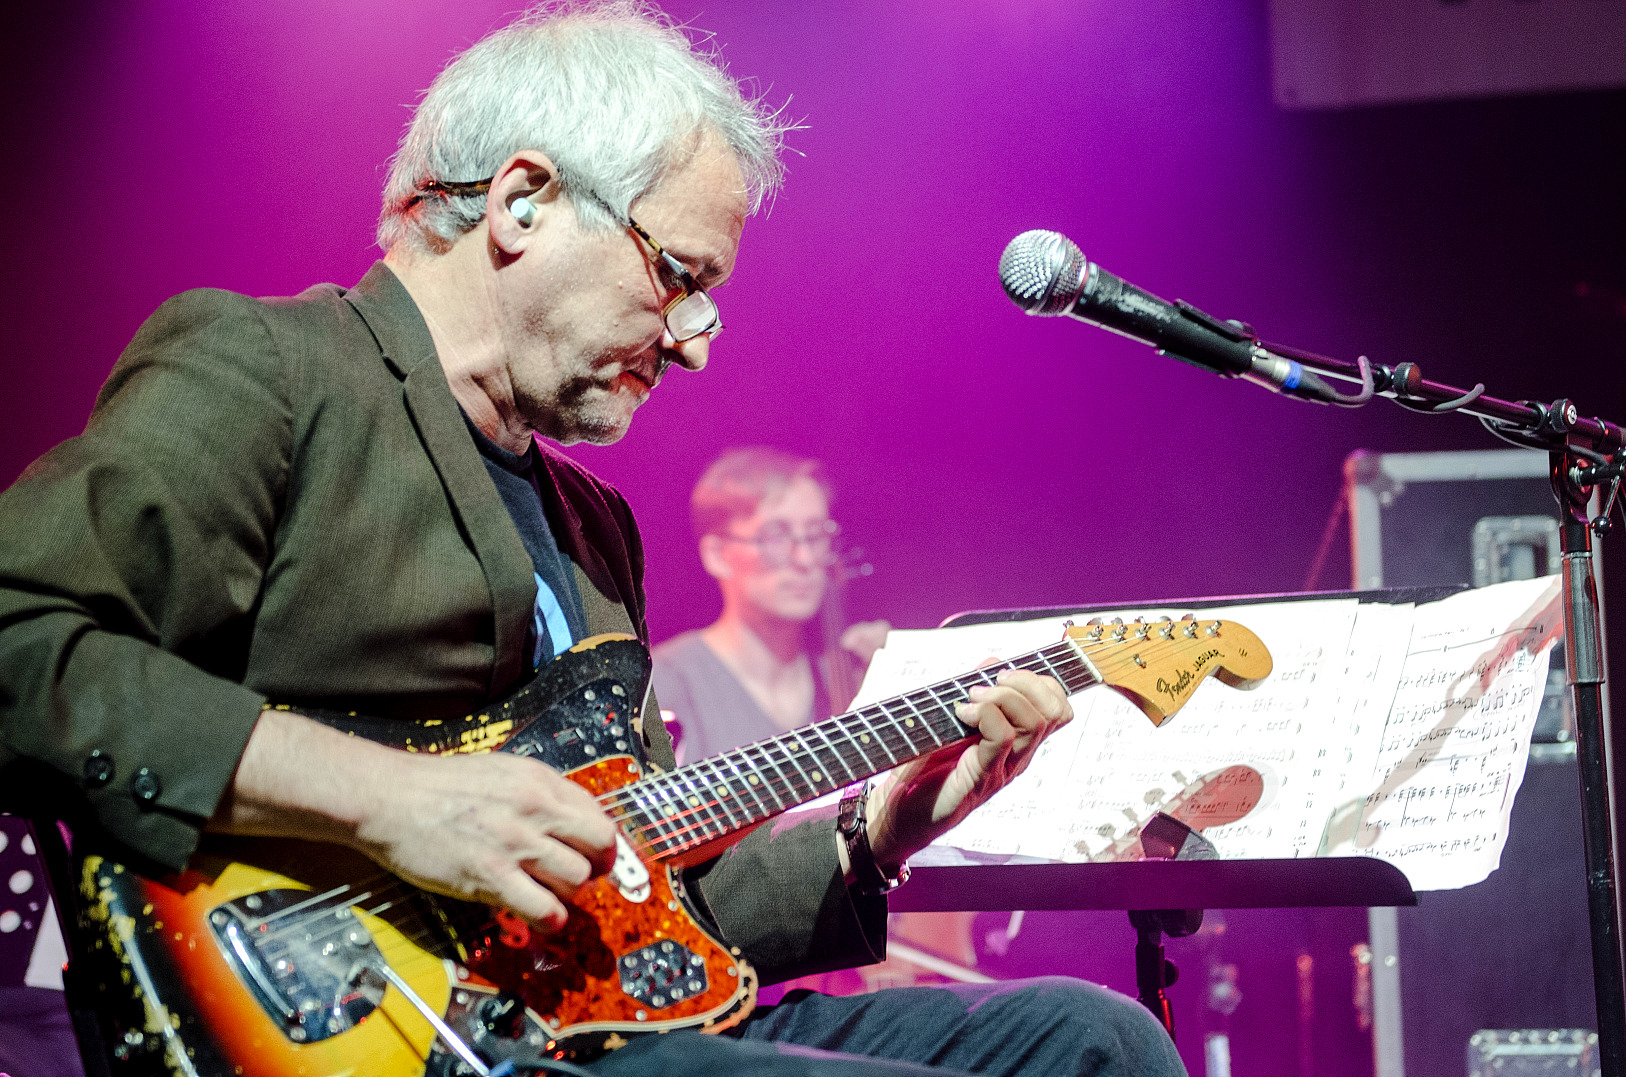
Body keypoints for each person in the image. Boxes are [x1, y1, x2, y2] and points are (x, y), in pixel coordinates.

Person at [0, 4, 1183, 1075]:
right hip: (366, 1022)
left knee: (1095, 1041)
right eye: (678, 276)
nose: (696, 342)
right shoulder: (270, 372)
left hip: (599, 1023)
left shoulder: (594, 526)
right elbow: (21, 642)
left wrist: (878, 834)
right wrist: (390, 801)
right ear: (522, 204)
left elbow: (666, 897)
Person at [653, 447, 889, 765]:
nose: (805, 560)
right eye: (776, 537)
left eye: (816, 535)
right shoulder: (664, 684)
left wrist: (891, 679)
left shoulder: (853, 673)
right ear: (718, 555)